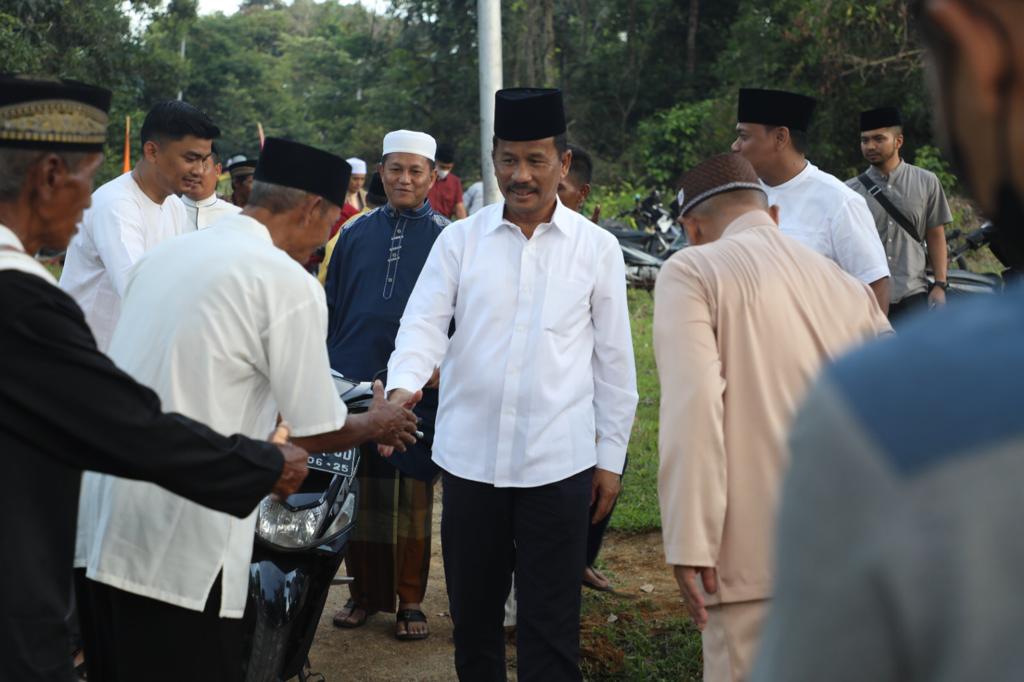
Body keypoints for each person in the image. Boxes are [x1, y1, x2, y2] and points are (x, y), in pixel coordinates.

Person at [0, 75, 310, 682]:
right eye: (86, 178)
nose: (89, 200)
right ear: (48, 177)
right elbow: (130, 429)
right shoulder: (22, 301)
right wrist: (262, 465)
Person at [76, 137, 421, 682]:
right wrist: (375, 423)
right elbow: (318, 427)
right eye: (330, 221)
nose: (327, 236)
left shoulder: (166, 255)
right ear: (313, 208)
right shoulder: (285, 282)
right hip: (183, 540)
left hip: (102, 525)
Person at [752, 1, 1024, 679]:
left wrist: (934, 284)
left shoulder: (882, 413)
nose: (871, 147)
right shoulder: (849, 189)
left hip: (904, 315)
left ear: (976, 46)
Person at [385, 88, 638, 681]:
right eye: (507, 161)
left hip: (561, 463)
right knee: (474, 624)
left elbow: (613, 363)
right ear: (492, 159)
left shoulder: (597, 249)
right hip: (470, 463)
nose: (520, 176)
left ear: (564, 163)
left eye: (535, 161)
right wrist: (403, 387)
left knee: (551, 626)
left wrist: (610, 458)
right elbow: (422, 325)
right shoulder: (459, 241)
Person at [655, 153, 892, 682]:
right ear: (776, 217)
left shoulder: (693, 270)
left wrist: (690, 541)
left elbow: (694, 409)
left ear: (693, 229)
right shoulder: (850, 288)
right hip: (854, 552)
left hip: (747, 564)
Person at [325, 130, 449, 641]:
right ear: (381, 171)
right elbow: (330, 305)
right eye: (395, 169)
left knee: (411, 496)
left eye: (415, 170)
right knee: (357, 492)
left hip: (421, 384)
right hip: (353, 379)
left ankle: (411, 600)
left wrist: (444, 365)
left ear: (433, 175)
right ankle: (363, 594)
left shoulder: (451, 236)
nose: (404, 179)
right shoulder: (352, 232)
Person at [60, 99, 214, 352]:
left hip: (129, 356)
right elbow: (139, 292)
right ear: (152, 152)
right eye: (190, 158)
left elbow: (182, 279)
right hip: (86, 356)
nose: (199, 171)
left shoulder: (174, 206)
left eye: (204, 160)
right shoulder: (116, 205)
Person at [731, 88, 892, 313]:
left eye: (744, 136)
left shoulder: (839, 201)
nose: (735, 146)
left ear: (780, 137)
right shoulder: (738, 197)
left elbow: (874, 285)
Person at [556, 143, 612, 592]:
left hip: (586, 394)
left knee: (604, 471)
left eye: (560, 188)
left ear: (582, 191)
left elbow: (612, 350)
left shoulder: (597, 247)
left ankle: (578, 561)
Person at [845, 106, 953, 324]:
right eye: (865, 140)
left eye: (878, 139)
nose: (870, 146)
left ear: (898, 141)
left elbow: (935, 235)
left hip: (913, 294)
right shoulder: (849, 191)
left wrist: (940, 285)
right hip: (866, 298)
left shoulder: (926, 182)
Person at [317, 171, 387, 285]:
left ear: (367, 198)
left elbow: (327, 273)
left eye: (361, 179)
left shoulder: (351, 226)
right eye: (355, 178)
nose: (358, 183)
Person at [182, 143, 241, 229]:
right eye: (189, 165)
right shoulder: (166, 212)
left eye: (204, 165)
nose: (195, 172)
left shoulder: (236, 217)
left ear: (217, 170)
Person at [426, 142, 467, 219]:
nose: (445, 171)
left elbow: (459, 208)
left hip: (444, 226)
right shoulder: (424, 178)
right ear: (435, 161)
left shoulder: (455, 182)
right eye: (442, 167)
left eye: (448, 168)